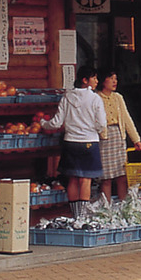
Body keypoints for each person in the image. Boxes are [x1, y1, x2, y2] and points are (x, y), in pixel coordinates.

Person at [42, 69, 107, 203]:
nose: (97, 81)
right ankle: (82, 216)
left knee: (72, 178)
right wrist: (91, 129)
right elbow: (101, 124)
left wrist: (43, 123)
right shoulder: (95, 98)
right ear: (85, 80)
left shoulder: (67, 97)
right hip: (89, 142)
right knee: (85, 179)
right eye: (94, 78)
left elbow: (56, 123)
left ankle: (74, 213)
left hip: (70, 142)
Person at [97, 71, 141, 201]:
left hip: (118, 136)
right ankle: (106, 209)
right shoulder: (96, 98)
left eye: (116, 78)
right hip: (104, 138)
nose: (114, 81)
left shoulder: (118, 97)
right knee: (106, 177)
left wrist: (136, 139)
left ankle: (123, 206)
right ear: (102, 81)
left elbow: (127, 119)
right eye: (111, 78)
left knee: (122, 176)